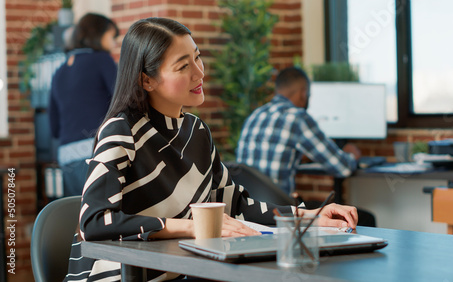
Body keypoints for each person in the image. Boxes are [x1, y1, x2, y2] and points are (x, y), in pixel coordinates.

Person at [63, 18, 359, 281]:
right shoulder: (122, 129)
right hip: (118, 273)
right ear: (147, 80)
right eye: (183, 66)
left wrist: (308, 216)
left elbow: (236, 206)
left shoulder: (196, 131)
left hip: (178, 271)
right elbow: (93, 223)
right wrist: (191, 227)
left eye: (197, 58)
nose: (199, 73)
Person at [236, 66, 361, 196]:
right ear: (303, 92)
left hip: (247, 210)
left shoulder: (255, 115)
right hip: (279, 212)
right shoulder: (298, 118)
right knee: (363, 216)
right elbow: (342, 168)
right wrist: (352, 155)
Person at [49, 13, 119, 197]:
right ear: (97, 35)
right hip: (95, 152)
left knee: (78, 217)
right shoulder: (102, 60)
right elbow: (123, 99)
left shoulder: (59, 71)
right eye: (111, 37)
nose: (114, 44)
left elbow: (54, 128)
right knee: (105, 218)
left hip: (66, 157)